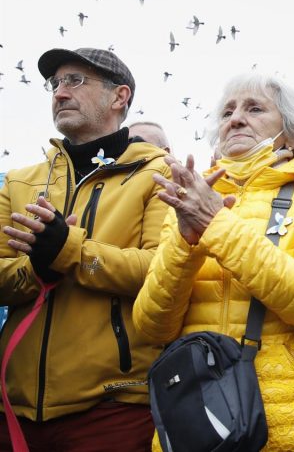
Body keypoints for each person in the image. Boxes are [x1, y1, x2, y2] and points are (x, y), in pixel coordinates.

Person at [133, 73, 294, 451]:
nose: (234, 119)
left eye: (254, 108)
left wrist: (215, 224)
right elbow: (153, 327)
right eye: (227, 112)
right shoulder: (187, 201)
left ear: (292, 135)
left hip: (293, 422)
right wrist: (186, 243)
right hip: (199, 424)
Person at [0, 47, 171, 451]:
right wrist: (37, 271)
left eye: (75, 80)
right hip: (13, 409)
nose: (59, 93)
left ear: (119, 97)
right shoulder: (19, 183)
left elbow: (160, 273)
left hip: (111, 410)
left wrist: (68, 251)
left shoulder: (160, 174)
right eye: (55, 83)